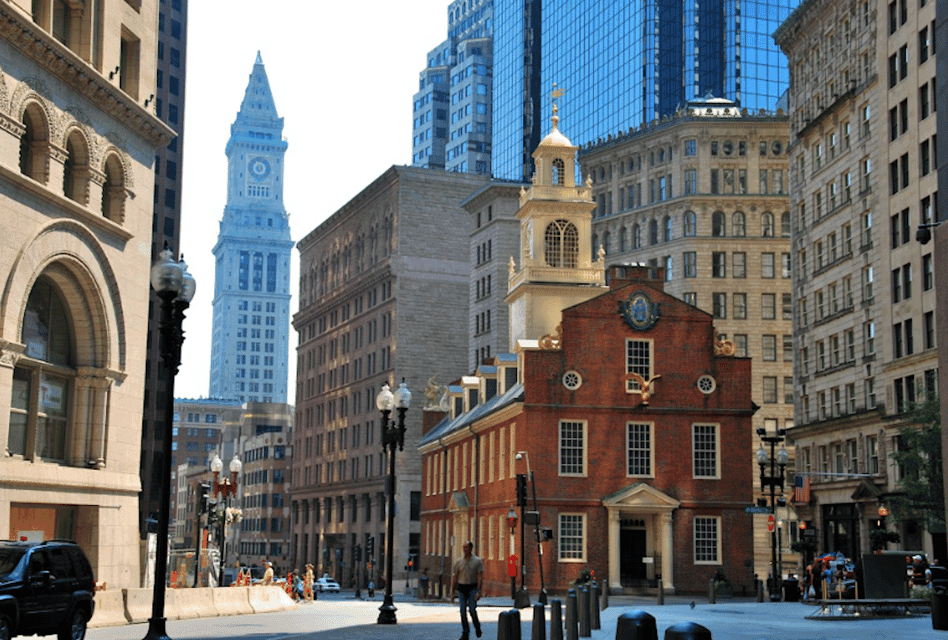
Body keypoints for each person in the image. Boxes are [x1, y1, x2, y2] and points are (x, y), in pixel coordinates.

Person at [451, 540, 484, 640]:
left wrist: (479, 591)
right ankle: (465, 633)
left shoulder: (477, 561)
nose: (465, 549)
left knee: (472, 610)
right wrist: (452, 593)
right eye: (463, 547)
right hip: (462, 588)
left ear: (471, 548)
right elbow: (455, 577)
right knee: (462, 611)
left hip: (472, 588)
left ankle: (477, 627)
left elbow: (480, 577)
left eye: (467, 547)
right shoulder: (458, 562)